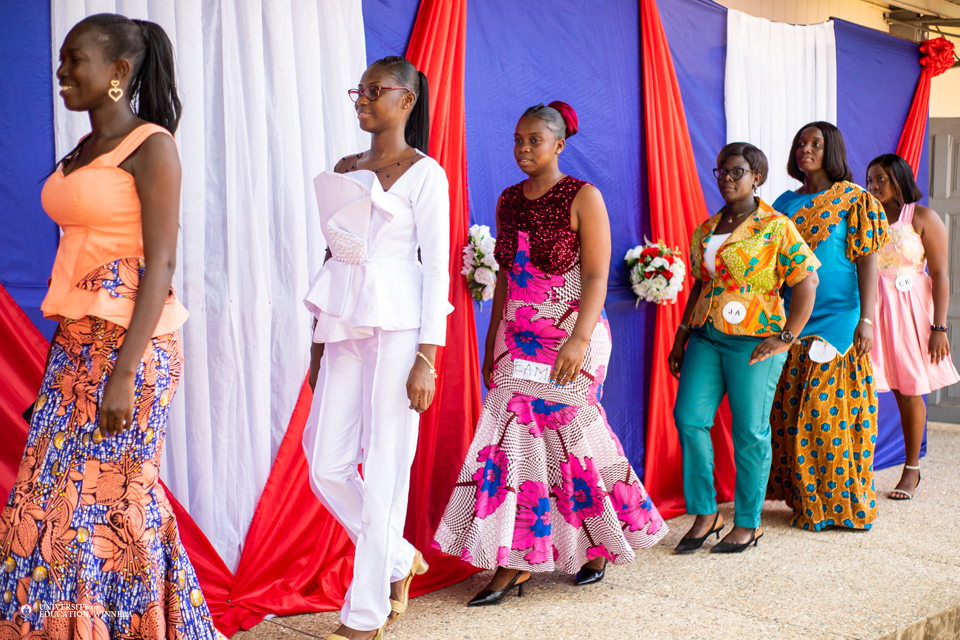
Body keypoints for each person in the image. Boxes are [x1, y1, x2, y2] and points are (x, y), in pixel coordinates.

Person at [0, 13, 223, 639]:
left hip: (132, 349)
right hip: (76, 344)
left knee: (104, 508)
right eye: (63, 58)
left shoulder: (152, 144)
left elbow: (163, 261)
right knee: (50, 506)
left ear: (119, 72)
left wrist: (124, 371)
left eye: (76, 59)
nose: (62, 70)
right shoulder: (84, 150)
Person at [434, 102, 666, 605]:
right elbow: (505, 279)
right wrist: (492, 337)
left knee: (572, 440)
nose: (523, 149)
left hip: (569, 331)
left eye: (534, 140)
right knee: (511, 443)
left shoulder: (583, 196)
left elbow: (598, 276)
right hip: (517, 333)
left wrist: (580, 340)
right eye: (517, 140)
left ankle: (597, 541)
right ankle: (515, 561)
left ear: (559, 143)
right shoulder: (507, 199)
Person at [301, 56, 450, 640]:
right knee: (325, 464)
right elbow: (332, 256)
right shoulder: (346, 169)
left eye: (374, 90)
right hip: (343, 325)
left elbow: (435, 270)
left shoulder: (425, 174)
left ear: (407, 100)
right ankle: (396, 557)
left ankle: (364, 615)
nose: (361, 99)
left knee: (386, 468)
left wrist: (427, 357)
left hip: (399, 329)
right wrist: (317, 342)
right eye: (357, 91)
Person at [670, 143, 820, 553]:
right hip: (706, 334)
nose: (727, 179)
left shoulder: (775, 226)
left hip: (755, 341)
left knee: (750, 432)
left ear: (757, 177)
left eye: (737, 172)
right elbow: (702, 283)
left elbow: (807, 281)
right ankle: (705, 512)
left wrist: (787, 336)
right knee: (689, 418)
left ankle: (749, 522)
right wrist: (682, 335)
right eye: (721, 171)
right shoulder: (706, 228)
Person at [767, 122, 889, 531]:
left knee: (827, 414)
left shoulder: (855, 200)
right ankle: (806, 499)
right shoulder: (782, 203)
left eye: (816, 144)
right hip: (791, 317)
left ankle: (840, 504)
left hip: (839, 318)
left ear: (832, 150)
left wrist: (866, 320)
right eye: (801, 142)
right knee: (793, 412)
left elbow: (867, 261)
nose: (806, 149)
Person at [866, 154, 958, 500]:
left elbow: (941, 275)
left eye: (881, 180)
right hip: (874, 310)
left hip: (911, 312)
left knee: (909, 391)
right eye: (870, 180)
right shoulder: (866, 219)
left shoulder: (922, 217)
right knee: (865, 388)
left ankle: (911, 469)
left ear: (899, 180)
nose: (873, 187)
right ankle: (859, 467)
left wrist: (939, 327)